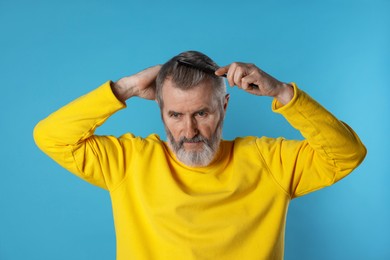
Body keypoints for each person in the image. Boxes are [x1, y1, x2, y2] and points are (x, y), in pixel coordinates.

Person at [34, 50, 366, 260]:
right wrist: (126, 87)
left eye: (201, 114)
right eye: (175, 115)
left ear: (224, 106)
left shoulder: (268, 161)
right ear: (161, 112)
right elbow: (51, 137)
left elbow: (346, 154)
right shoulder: (130, 161)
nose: (189, 131)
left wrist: (282, 92)